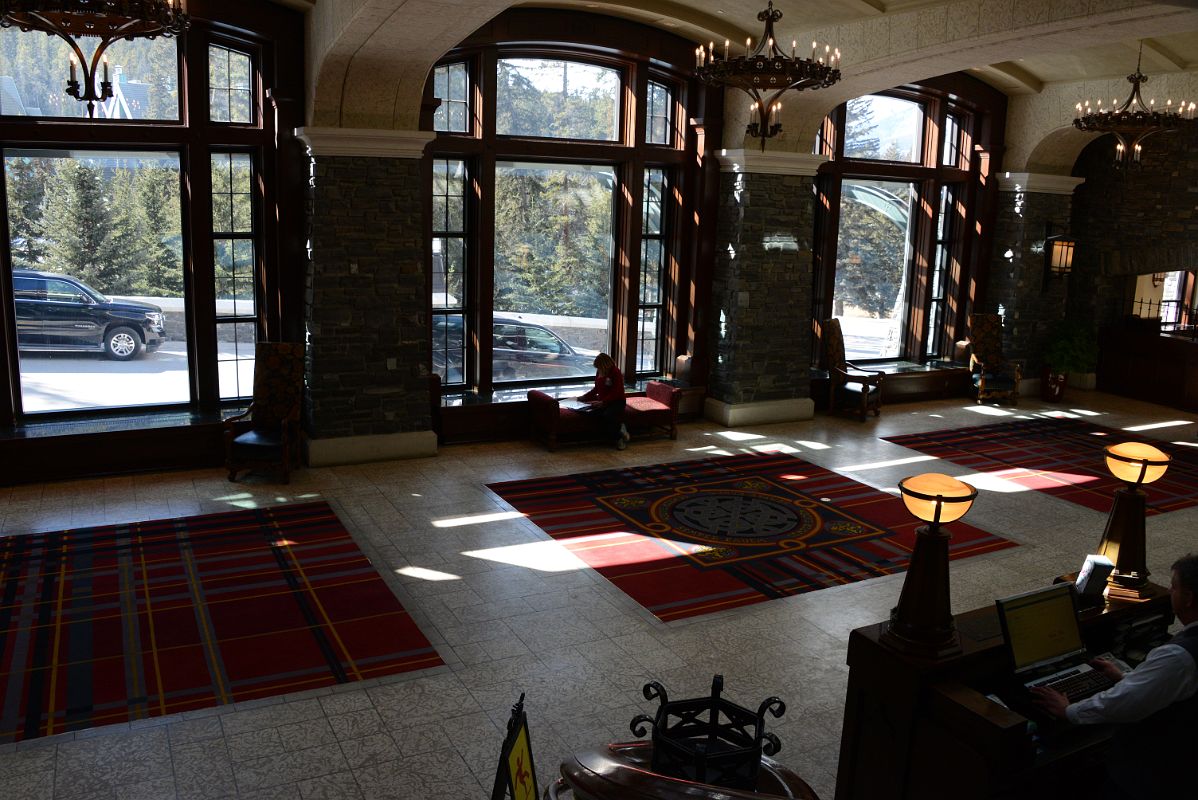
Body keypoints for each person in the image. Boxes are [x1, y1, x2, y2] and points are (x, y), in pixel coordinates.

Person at [1030, 552, 1198, 798]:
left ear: (1189, 598)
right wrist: (1123, 677)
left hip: (1156, 775)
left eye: (1173, 587)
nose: (1170, 592)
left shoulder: (1178, 657)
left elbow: (1128, 702)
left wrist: (1069, 711)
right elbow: (1161, 687)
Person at [578, 352, 629, 450]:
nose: (598, 370)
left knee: (608, 415)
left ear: (604, 365)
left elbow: (616, 392)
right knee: (589, 412)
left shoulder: (615, 372)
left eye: (599, 367)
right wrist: (584, 397)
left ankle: (619, 438)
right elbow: (596, 389)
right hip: (603, 401)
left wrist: (603, 402)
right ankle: (614, 432)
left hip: (617, 402)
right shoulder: (599, 372)